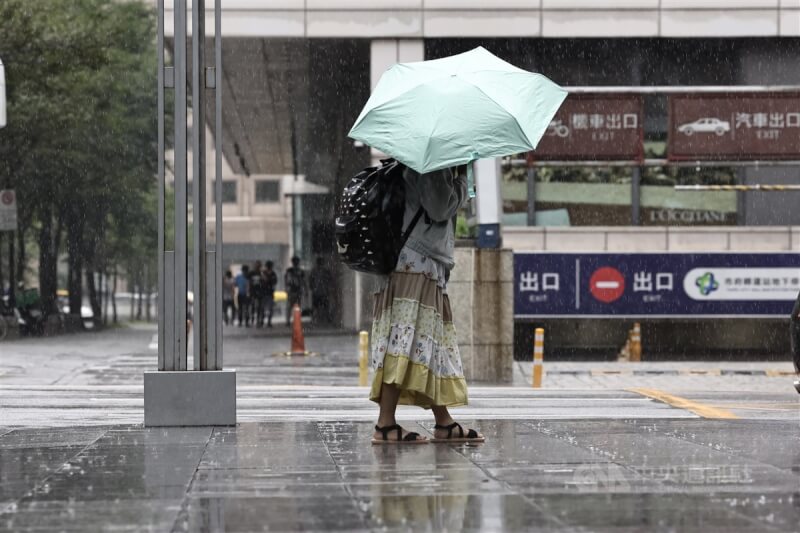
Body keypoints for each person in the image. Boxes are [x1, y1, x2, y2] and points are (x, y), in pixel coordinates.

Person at [369, 165, 484, 444]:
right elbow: (439, 208)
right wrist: (461, 182)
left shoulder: (418, 158)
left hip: (416, 260)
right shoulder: (431, 163)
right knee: (405, 341)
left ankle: (443, 421)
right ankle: (385, 424)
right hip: (415, 262)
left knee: (425, 343)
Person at [309, 256, 333, 325]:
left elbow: (330, 280)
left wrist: (312, 287)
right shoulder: (319, 271)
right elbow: (311, 281)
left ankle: (318, 319)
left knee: (320, 307)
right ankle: (320, 319)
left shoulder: (323, 271)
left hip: (320, 292)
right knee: (320, 307)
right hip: (320, 292)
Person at [284, 256, 306, 326]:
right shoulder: (291, 271)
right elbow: (303, 281)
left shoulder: (293, 271)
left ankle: (292, 320)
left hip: (295, 290)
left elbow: (303, 281)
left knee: (292, 306)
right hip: (293, 290)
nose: (296, 263)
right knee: (293, 306)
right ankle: (292, 321)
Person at [249, 260, 265, 327]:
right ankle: (252, 319)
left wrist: (262, 274)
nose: (257, 266)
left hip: (260, 292)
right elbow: (248, 281)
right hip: (253, 292)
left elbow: (264, 281)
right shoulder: (251, 273)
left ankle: (258, 320)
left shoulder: (261, 273)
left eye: (259, 265)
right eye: (256, 265)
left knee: (259, 307)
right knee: (253, 306)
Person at [262, 260, 278, 327]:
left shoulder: (271, 273)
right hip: (265, 292)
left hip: (269, 292)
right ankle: (263, 321)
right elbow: (263, 282)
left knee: (269, 308)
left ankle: (267, 321)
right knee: (264, 308)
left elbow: (274, 282)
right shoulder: (264, 273)